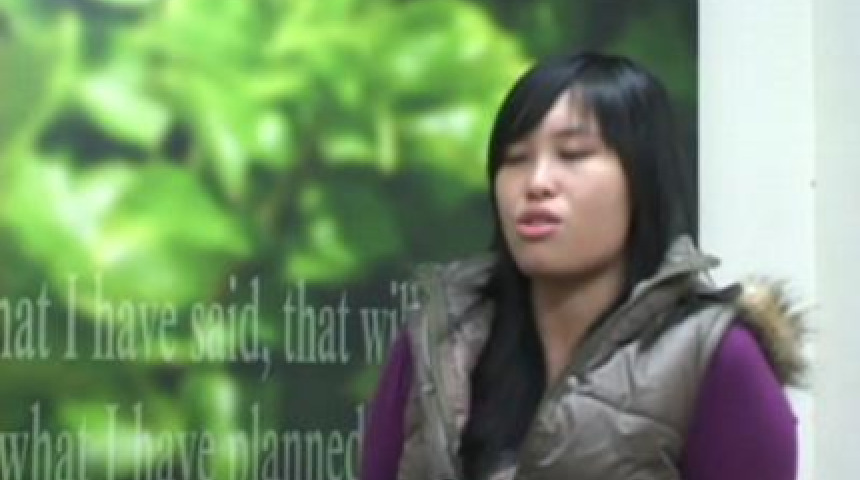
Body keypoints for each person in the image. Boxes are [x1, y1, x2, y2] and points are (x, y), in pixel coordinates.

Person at [361, 52, 803, 480]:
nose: (536, 183)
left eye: (573, 154)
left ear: (642, 179)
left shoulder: (718, 358)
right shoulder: (439, 344)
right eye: (515, 159)